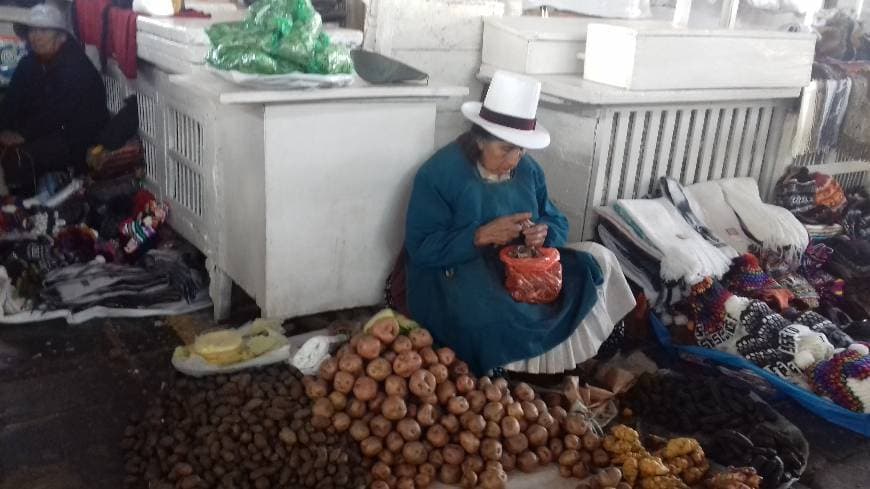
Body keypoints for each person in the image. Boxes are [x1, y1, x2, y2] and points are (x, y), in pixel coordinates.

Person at [404, 70, 634, 375]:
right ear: (478, 140)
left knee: (596, 262)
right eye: (506, 149)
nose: (515, 160)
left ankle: (562, 367)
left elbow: (554, 218)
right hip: (458, 269)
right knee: (490, 315)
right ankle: (509, 372)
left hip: (519, 264)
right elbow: (420, 248)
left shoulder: (528, 170)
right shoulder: (439, 175)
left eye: (521, 149)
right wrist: (479, 236)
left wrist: (544, 233)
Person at [0, 4, 108, 195]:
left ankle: (27, 209)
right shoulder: (30, 63)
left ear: (61, 36)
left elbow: (57, 113)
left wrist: (22, 135)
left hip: (77, 138)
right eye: (32, 30)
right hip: (45, 130)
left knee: (21, 157)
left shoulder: (75, 67)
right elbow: (11, 100)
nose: (35, 36)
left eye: (43, 30)